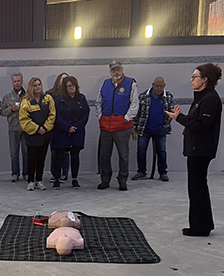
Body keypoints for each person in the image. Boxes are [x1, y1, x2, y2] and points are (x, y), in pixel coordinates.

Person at [166, 63, 222, 237]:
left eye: (195, 77)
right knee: (196, 186)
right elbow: (196, 120)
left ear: (205, 79)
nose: (191, 80)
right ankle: (199, 224)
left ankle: (201, 227)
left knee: (197, 187)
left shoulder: (210, 98)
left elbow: (202, 125)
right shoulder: (202, 97)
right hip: (196, 148)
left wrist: (179, 118)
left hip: (201, 149)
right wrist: (181, 117)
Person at [95, 60, 138, 191]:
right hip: (105, 127)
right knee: (104, 155)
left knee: (123, 155)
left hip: (122, 127)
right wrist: (100, 116)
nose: (116, 72)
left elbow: (134, 104)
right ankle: (105, 179)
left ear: (122, 69)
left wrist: (126, 118)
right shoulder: (105, 84)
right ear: (110, 71)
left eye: (118, 69)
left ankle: (122, 180)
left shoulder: (131, 83)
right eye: (113, 70)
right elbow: (98, 102)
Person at [132, 76, 174, 182]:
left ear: (164, 86)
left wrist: (165, 126)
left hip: (160, 129)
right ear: (152, 85)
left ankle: (163, 173)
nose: (159, 88)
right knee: (141, 151)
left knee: (162, 151)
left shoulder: (168, 97)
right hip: (144, 129)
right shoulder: (143, 97)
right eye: (157, 86)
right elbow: (136, 114)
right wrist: (133, 126)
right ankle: (141, 172)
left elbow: (171, 112)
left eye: (161, 86)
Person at [51, 76, 90, 189]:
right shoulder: (59, 99)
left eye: (73, 85)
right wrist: (67, 127)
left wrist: (76, 127)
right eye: (69, 86)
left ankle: (74, 179)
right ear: (65, 88)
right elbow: (56, 116)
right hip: (62, 132)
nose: (71, 88)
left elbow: (85, 114)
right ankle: (56, 179)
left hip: (77, 132)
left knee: (75, 156)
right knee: (59, 156)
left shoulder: (81, 98)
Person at [19, 77, 56, 191]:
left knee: (41, 158)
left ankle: (39, 180)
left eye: (39, 84)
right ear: (31, 87)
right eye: (35, 85)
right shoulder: (26, 101)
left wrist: (45, 127)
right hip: (32, 135)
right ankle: (30, 181)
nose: (37, 87)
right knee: (31, 158)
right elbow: (24, 119)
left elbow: (52, 114)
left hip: (45, 134)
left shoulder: (48, 99)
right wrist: (36, 128)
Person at [0, 72, 28, 182]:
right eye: (15, 81)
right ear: (12, 82)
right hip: (13, 128)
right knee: (14, 153)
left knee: (26, 153)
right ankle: (15, 174)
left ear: (22, 82)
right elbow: (2, 111)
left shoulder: (28, 95)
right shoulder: (7, 96)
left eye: (19, 81)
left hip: (26, 128)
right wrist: (11, 109)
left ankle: (26, 173)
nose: (17, 83)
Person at [47, 73, 70, 183]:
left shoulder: (70, 94)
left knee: (65, 152)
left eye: (66, 79)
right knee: (54, 152)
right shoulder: (50, 94)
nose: (64, 81)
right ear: (58, 80)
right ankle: (54, 174)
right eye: (63, 79)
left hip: (65, 128)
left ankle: (64, 174)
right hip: (53, 127)